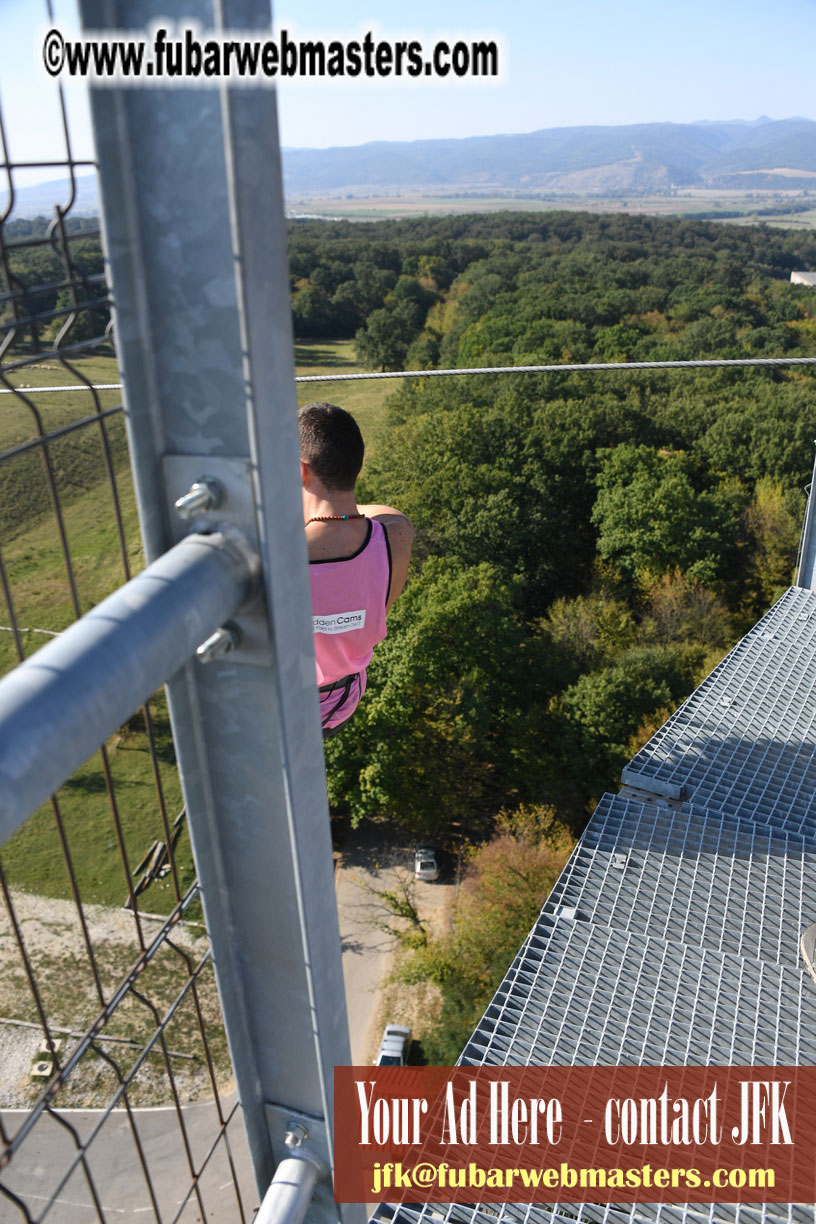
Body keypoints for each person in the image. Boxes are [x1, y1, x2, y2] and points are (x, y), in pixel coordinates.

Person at [299, 401, 413, 738]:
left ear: (301, 470)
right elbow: (375, 513)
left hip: (285, 708)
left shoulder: (277, 555)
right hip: (341, 703)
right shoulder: (395, 535)